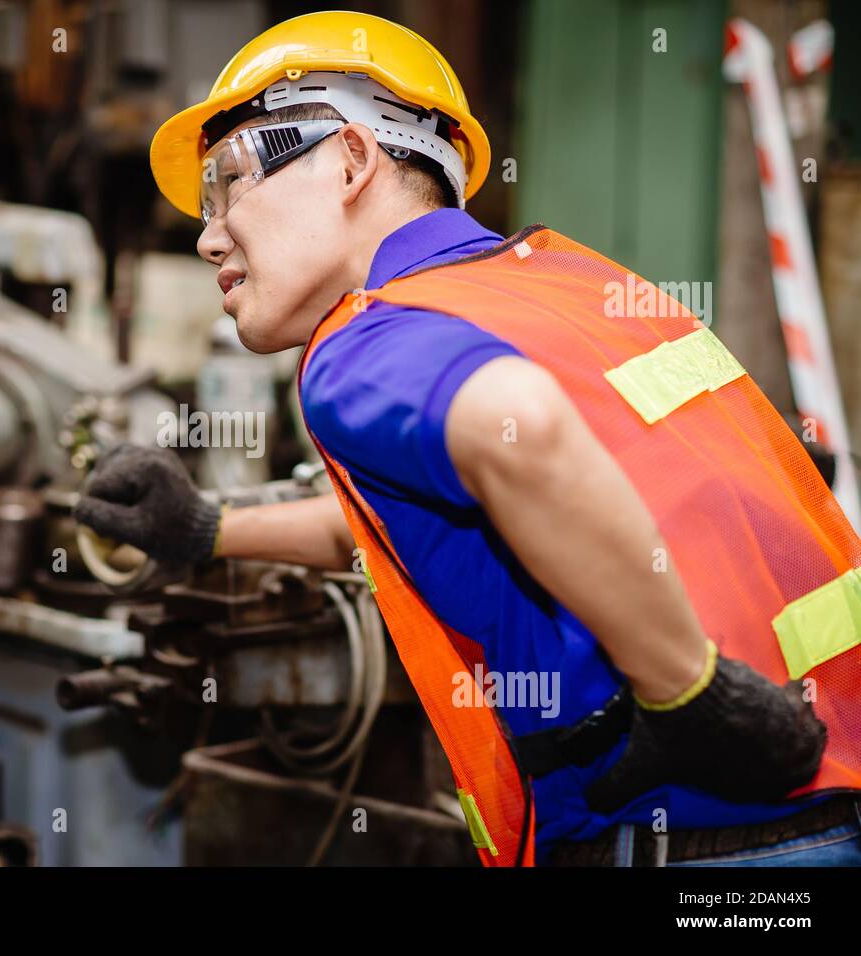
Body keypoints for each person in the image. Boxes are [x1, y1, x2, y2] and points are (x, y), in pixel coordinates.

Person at [74, 11, 861, 866]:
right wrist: (210, 530)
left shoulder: (363, 340)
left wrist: (687, 693)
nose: (208, 233)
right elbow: (481, 490)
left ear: (350, 158)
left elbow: (513, 430)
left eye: (228, 181)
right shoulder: (571, 284)